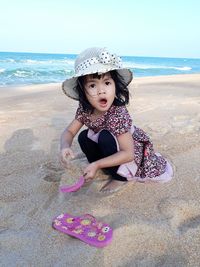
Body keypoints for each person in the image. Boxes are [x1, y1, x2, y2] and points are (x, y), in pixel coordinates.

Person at [60, 47, 173, 193]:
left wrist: (97, 164)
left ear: (115, 85)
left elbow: (128, 154)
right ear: (83, 91)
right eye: (92, 85)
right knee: (83, 136)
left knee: (106, 137)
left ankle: (120, 177)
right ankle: (102, 166)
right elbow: (69, 131)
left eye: (107, 83)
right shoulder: (85, 109)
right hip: (110, 146)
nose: (101, 91)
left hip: (128, 152)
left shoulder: (117, 114)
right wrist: (64, 146)